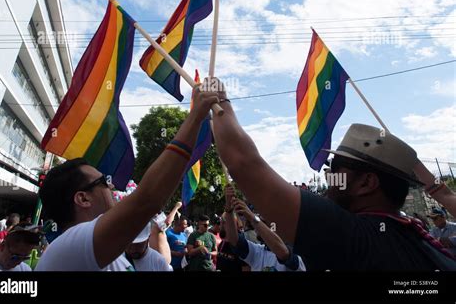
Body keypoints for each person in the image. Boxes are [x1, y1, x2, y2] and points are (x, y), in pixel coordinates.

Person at [209, 78, 456, 270]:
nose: (328, 175)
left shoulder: (357, 236)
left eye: (336, 168)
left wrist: (221, 100)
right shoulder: (415, 239)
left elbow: (243, 163)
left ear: (367, 183)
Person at [35, 87, 219, 271]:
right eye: (104, 182)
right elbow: (148, 200)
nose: (112, 186)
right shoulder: (67, 250)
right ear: (83, 198)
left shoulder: (110, 253)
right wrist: (196, 117)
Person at [223, 185, 305, 272]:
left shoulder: (294, 254)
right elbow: (233, 240)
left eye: (263, 222)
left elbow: (283, 253)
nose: (259, 228)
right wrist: (229, 208)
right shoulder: (257, 251)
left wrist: (252, 218)